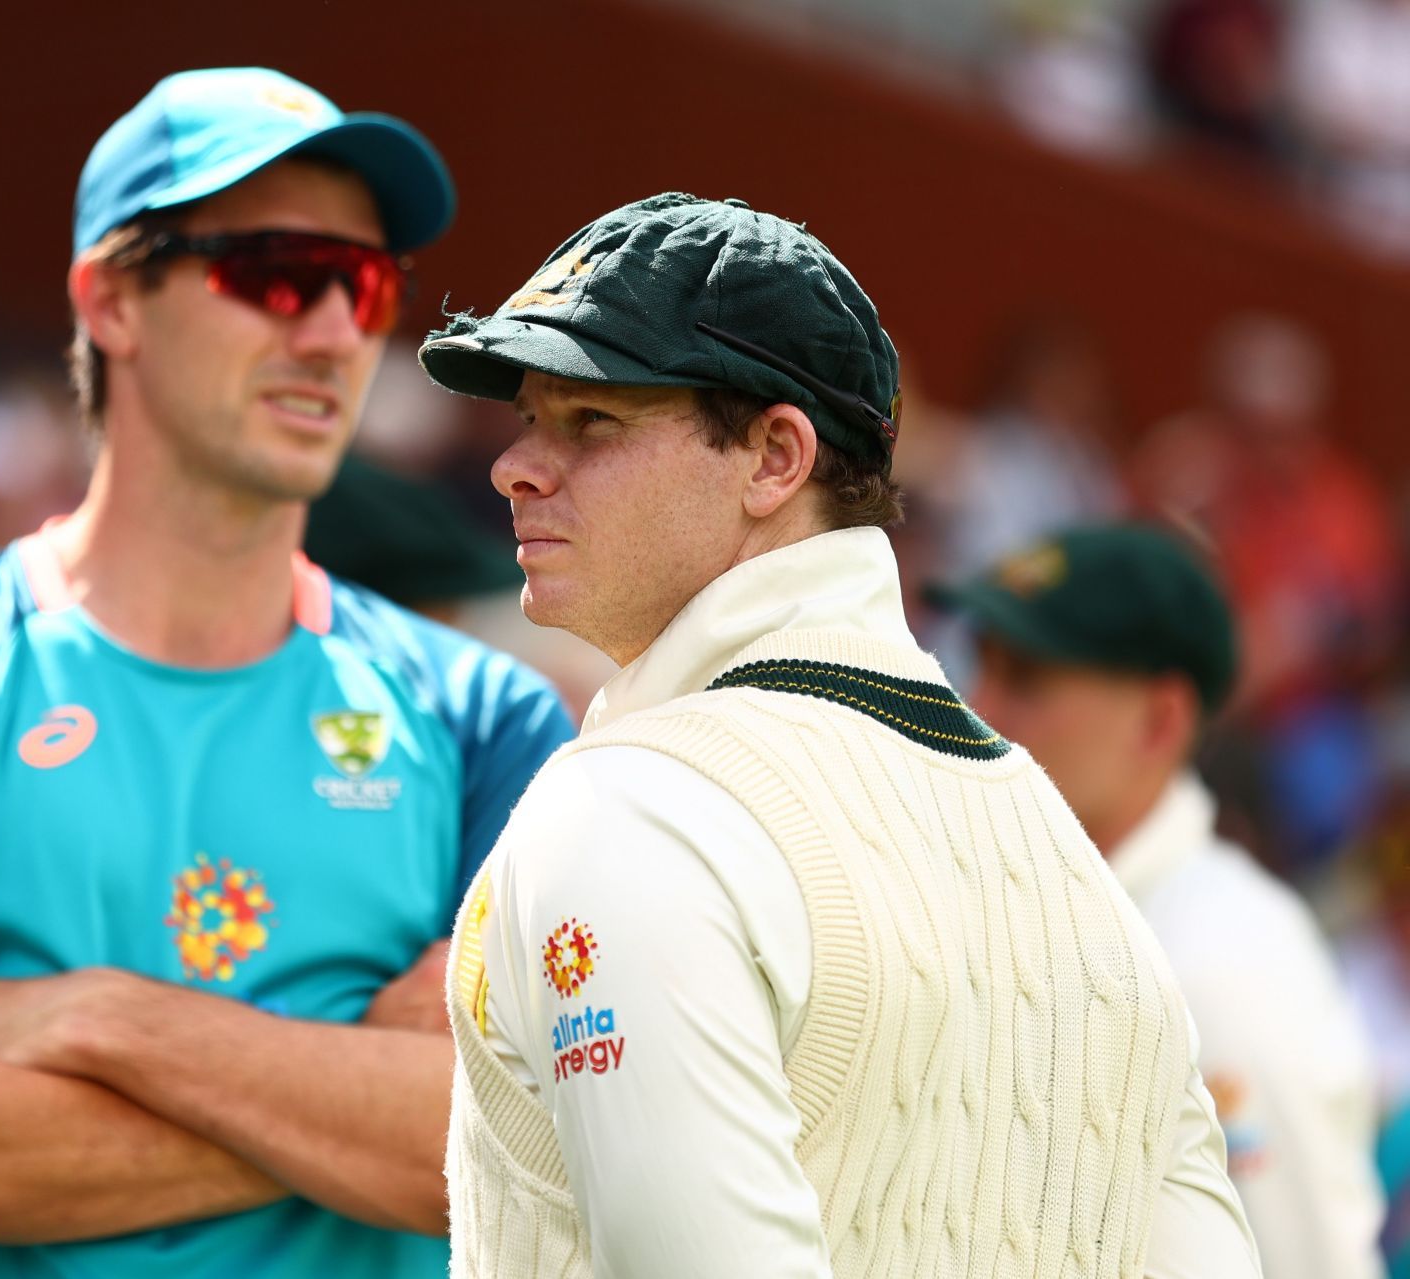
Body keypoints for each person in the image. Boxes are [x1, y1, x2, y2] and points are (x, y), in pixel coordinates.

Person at [0, 67, 572, 1278]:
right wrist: (352, 1085)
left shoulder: (485, 716)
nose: (330, 331)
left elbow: (538, 1152)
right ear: (110, 300)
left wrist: (102, 1019)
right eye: (273, 273)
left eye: (365, 286)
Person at [416, 192, 1259, 1277]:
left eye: (593, 422)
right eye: (530, 419)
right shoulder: (1071, 856)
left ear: (776, 458)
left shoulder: (627, 808)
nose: (516, 466)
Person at [935, 522, 1386, 1279]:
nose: (977, 704)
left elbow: (1302, 1263)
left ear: (1161, 718)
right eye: (981, 665)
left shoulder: (1214, 967)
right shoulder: (1048, 909)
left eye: (1029, 678)